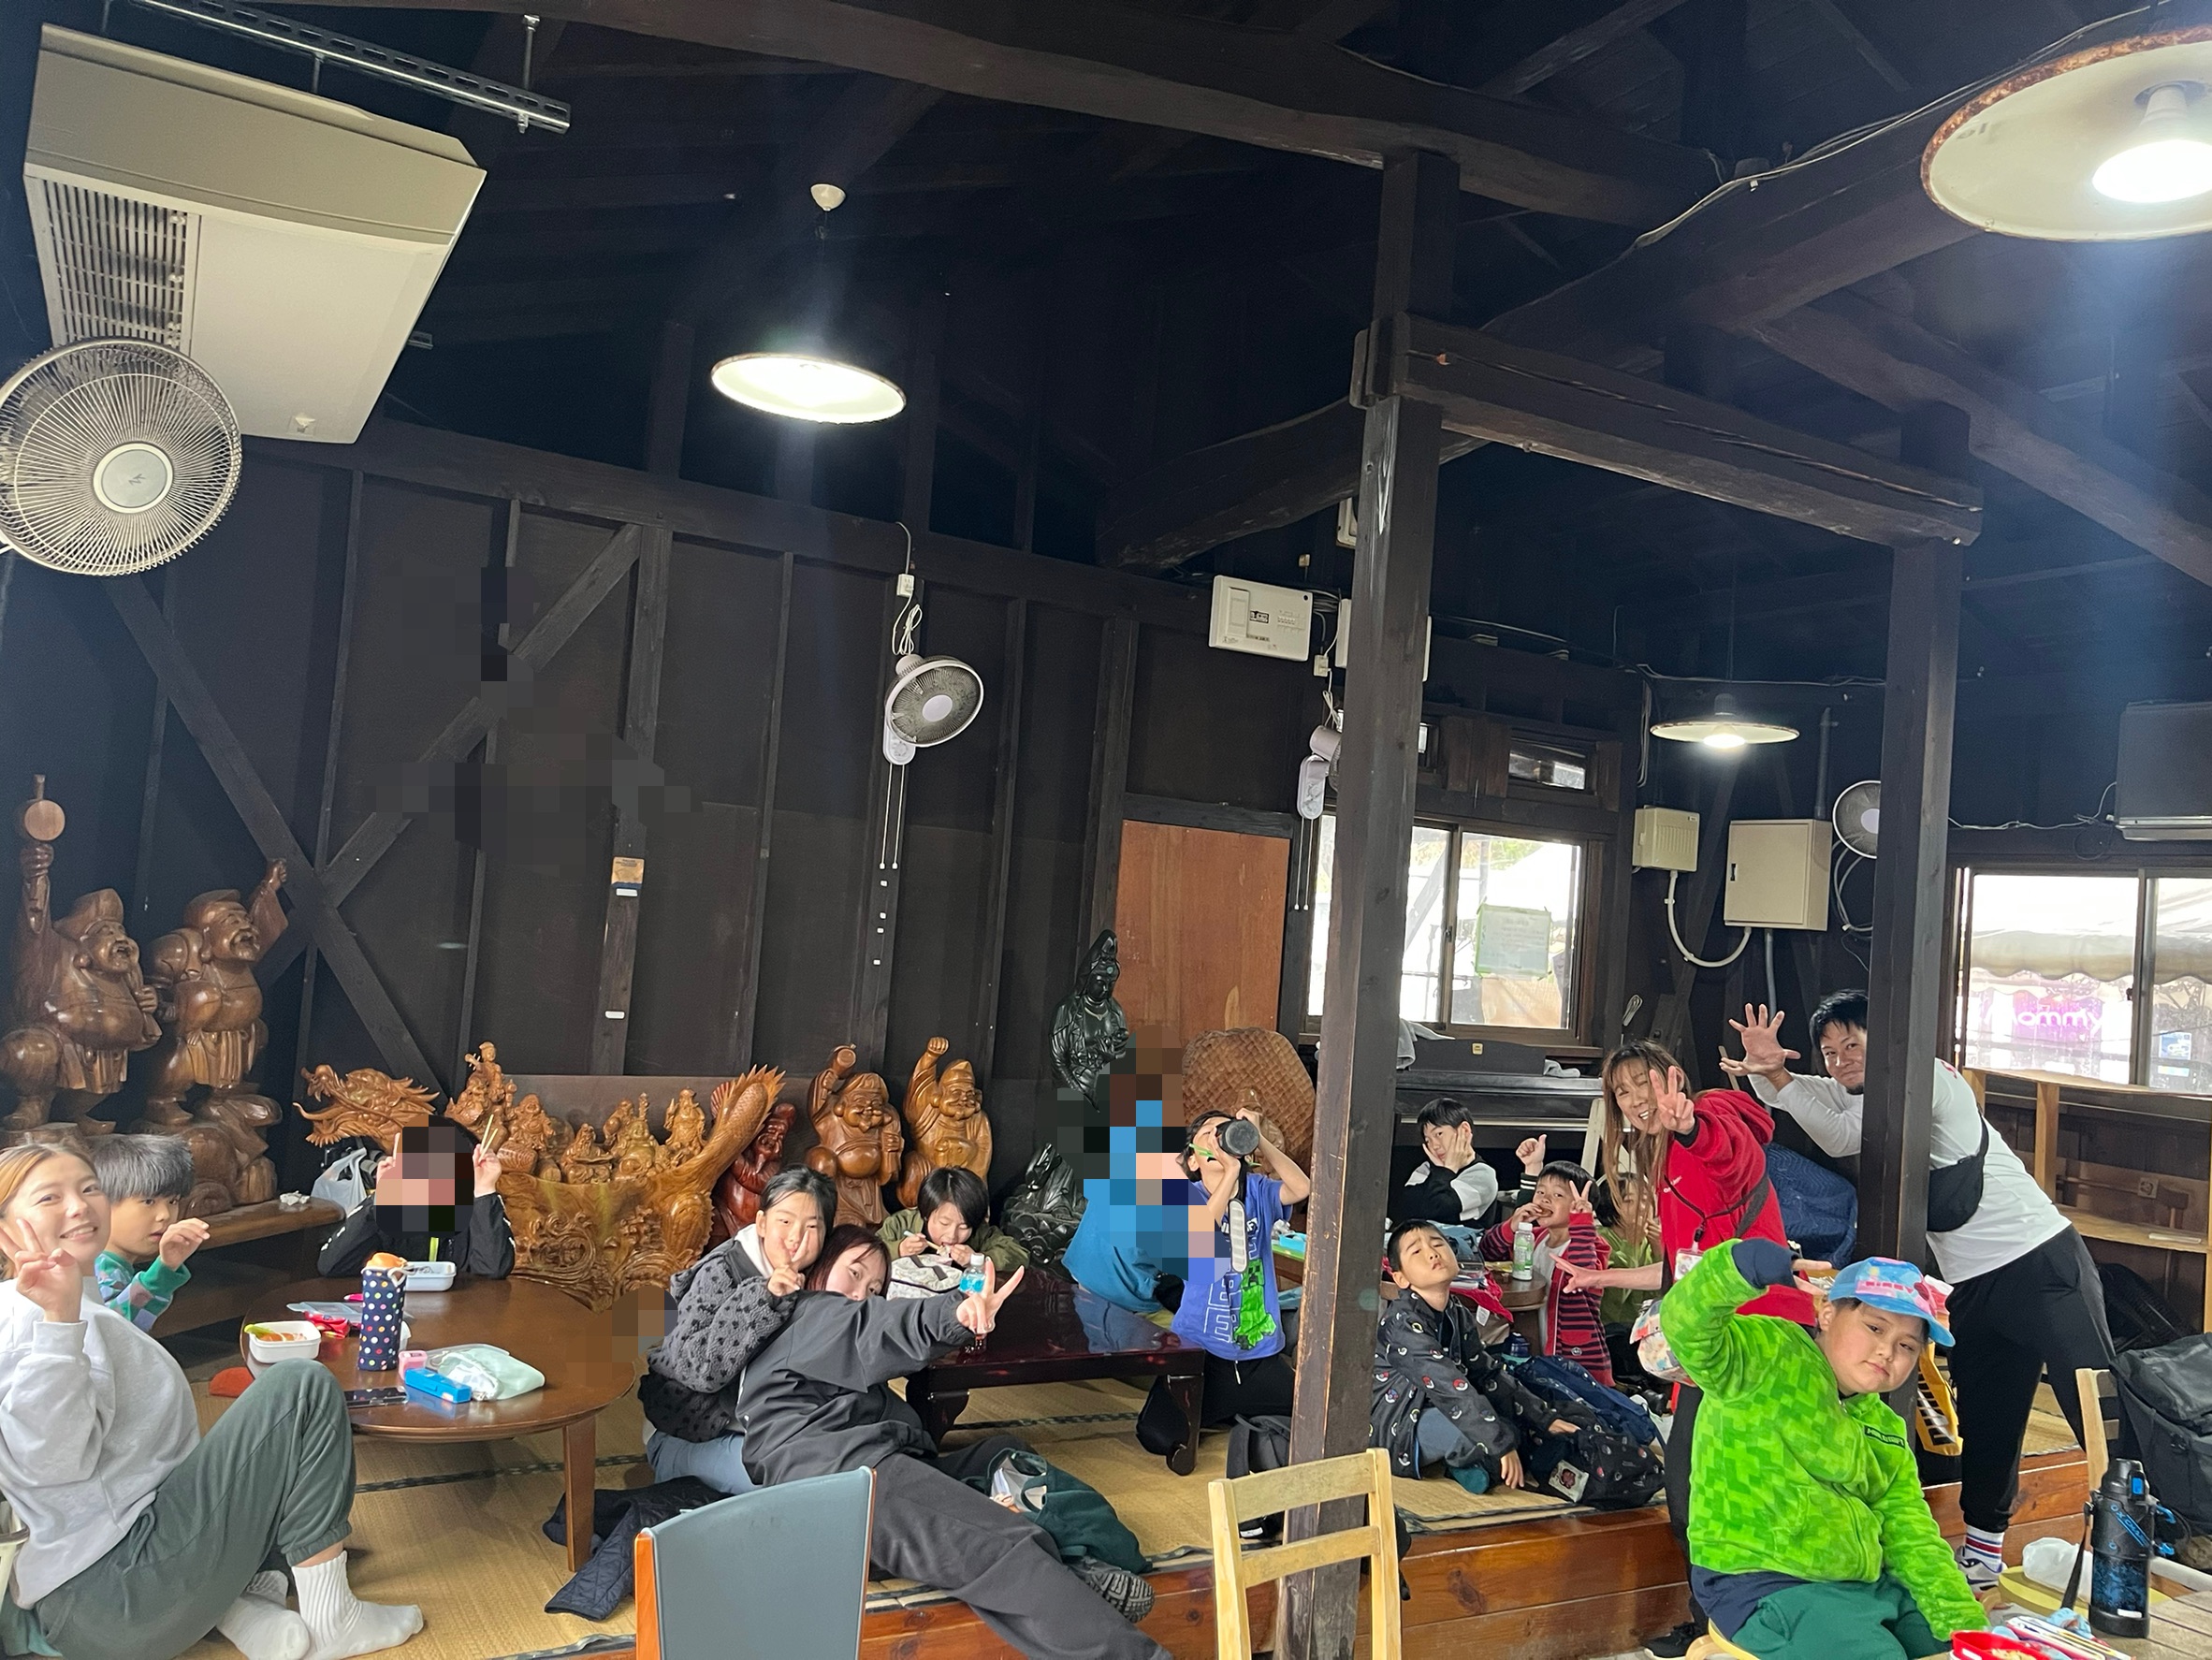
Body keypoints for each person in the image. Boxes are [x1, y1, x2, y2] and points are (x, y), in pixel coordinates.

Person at [1724, 992, 2113, 1592]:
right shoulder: (1864, 1089)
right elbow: (1807, 1097)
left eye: (1853, 1044)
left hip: (2040, 1262)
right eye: (1830, 1053)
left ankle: (2155, 1537)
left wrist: (1779, 1078)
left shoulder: (1926, 1079)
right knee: (1989, 1416)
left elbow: (1840, 1135)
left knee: (2095, 1406)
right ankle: (1982, 1553)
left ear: (1886, 1042)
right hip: (1973, 1285)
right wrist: (1773, 1072)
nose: (1841, 1061)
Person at [0, 1142, 421, 1660]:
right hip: (118, 1591)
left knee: (275, 1464)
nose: (78, 1206)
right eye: (49, 1197)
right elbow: (52, 1462)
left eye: (89, 1189)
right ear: (5, 1229)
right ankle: (335, 1619)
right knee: (301, 1386)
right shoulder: (34, 1322)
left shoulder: (66, 1298)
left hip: (126, 1575)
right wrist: (59, 1324)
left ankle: (245, 1602)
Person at [735, 1259, 1166, 1659]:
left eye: (875, 1285)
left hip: (855, 1475)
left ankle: (1076, 1567)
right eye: (854, 1272)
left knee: (999, 1455)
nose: (862, 1292)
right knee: (1000, 1548)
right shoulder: (814, 1314)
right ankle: (1100, 1614)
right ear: (818, 1272)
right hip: (848, 1484)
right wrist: (956, 1313)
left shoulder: (798, 1356)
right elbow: (882, 1324)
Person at [1551, 1041, 1809, 1660]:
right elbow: (1681, 1269)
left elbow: (1735, 1160)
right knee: (1695, 1487)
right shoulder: (1661, 1158)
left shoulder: (1711, 1116)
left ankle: (1743, 1626)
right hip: (1711, 1344)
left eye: (1642, 1083)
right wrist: (1602, 1277)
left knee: (1724, 1487)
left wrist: (1692, 1127)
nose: (1635, 1100)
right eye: (1622, 1092)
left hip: (1757, 1340)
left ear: (1672, 1079)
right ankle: (1714, 1624)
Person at [1660, 1239, 1986, 1659]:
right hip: (1761, 1582)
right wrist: (1741, 1265)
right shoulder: (1764, 1354)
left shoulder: (1885, 1426)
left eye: (1907, 1345)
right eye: (1875, 1327)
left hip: (1863, 1586)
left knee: (1951, 1647)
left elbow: (1910, 1529)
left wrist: (1963, 1622)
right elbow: (1687, 1325)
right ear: (1828, 1313)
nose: (1888, 1351)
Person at [638, 1167, 837, 1493]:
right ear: (762, 1223)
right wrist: (765, 1299)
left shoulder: (818, 1277)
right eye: (785, 1221)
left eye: (812, 1226)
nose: (796, 1237)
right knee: (795, 1488)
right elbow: (700, 1368)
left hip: (768, 1436)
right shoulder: (721, 1272)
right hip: (688, 1435)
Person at [1141, 1106, 1311, 1449]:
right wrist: (1231, 1172)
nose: (1218, 1141)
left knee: (1313, 1421)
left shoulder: (1258, 1190)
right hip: (1200, 1351)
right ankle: (1230, 1410)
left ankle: (1238, 1411)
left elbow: (1301, 1187)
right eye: (1208, 1134)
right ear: (1193, 1160)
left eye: (1225, 1132)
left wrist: (1259, 1139)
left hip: (1258, 1352)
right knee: (1158, 1437)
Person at [1372, 1219, 1584, 1493]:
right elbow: (1450, 1387)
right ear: (1401, 1278)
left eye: (1438, 1244)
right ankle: (1468, 1463)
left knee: (1513, 1425)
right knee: (1481, 1434)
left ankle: (1475, 1463)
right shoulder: (1402, 1324)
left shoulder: (1456, 1311)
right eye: (1417, 1251)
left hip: (1443, 1406)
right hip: (1402, 1423)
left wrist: (1543, 1418)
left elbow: (1487, 1373)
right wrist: (1500, 1442)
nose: (1432, 1253)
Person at [317, 1121, 513, 1278]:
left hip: (461, 1311)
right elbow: (331, 1266)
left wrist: (484, 1190)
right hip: (395, 1307)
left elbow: (493, 1269)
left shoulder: (477, 1209)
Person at [1480, 1158, 1613, 1384]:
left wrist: (1582, 1222)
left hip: (1576, 1357)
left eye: (1558, 1195)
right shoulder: (1534, 1238)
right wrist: (1512, 1226)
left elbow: (1584, 1271)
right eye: (1540, 1192)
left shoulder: (1592, 1244)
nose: (1544, 1199)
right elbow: (1487, 1251)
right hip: (1535, 1346)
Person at [86, 1134, 207, 1332]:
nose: (165, 1215)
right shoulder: (100, 1269)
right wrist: (163, 1270)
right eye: (148, 1201)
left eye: (173, 1201)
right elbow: (116, 1333)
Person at [881, 1165, 1031, 1275]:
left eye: (964, 1227)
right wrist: (899, 1249)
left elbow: (1019, 1255)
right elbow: (871, 1252)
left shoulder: (979, 1232)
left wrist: (976, 1260)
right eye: (944, 1223)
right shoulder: (901, 1224)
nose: (952, 1235)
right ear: (925, 1213)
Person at [1394, 1098, 1500, 1230]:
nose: (1434, 1145)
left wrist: (1448, 1170)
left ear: (1464, 1130)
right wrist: (1444, 1170)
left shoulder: (1483, 1174)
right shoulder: (1427, 1168)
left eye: (1439, 1134)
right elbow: (1406, 1208)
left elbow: (1439, 1208)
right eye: (1428, 1140)